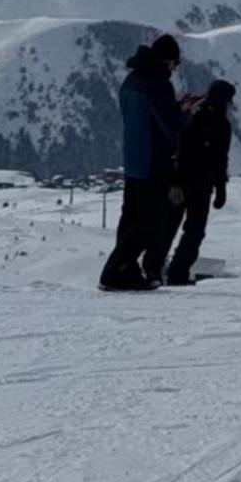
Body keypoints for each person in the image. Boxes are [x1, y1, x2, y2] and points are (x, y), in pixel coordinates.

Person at [98, 33, 185, 291]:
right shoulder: (157, 83)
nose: (174, 69)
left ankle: (127, 270)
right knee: (150, 223)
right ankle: (113, 271)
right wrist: (184, 112)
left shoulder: (132, 80)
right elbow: (171, 127)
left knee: (130, 219)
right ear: (167, 61)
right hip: (154, 162)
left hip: (133, 160)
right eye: (175, 63)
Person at [161, 79, 236, 286]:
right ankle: (176, 272)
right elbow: (221, 159)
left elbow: (178, 150)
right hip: (198, 185)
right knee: (192, 232)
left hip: (187, 183)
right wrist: (220, 188)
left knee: (170, 228)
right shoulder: (217, 123)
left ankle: (157, 269)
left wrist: (174, 179)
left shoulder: (195, 115)